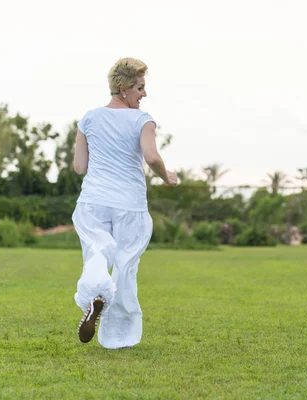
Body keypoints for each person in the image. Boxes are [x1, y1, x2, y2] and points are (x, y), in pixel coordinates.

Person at [72, 57, 178, 349]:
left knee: (97, 251)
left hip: (93, 201)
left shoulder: (90, 118)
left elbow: (79, 167)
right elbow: (152, 156)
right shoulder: (142, 120)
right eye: (140, 88)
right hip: (130, 205)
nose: (144, 94)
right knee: (125, 265)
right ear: (123, 88)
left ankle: (96, 293)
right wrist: (167, 177)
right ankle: (119, 339)